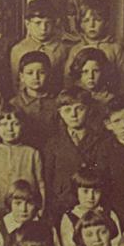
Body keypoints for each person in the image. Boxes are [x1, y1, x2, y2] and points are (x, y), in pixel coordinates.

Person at [43, 88, 98, 218]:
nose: (73, 115)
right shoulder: (53, 143)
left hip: (92, 202)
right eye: (67, 110)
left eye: (79, 109)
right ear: (60, 113)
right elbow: (47, 178)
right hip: (63, 202)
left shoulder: (100, 139)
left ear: (89, 110)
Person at [0, 105, 44, 221]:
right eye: (4, 124)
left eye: (15, 124)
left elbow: (41, 184)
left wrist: (41, 210)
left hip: (26, 210)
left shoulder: (32, 153)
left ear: (23, 125)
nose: (9, 129)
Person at [64, 0, 124, 96]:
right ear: (81, 24)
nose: (92, 25)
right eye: (86, 21)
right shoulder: (76, 49)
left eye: (97, 20)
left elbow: (123, 80)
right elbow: (68, 80)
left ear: (106, 22)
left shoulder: (115, 48)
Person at [59, 167, 122, 246]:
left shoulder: (109, 213)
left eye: (96, 192)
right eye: (85, 191)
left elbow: (116, 243)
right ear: (76, 191)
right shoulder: (69, 217)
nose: (91, 197)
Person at [10, 0, 68, 94]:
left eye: (48, 23)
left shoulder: (62, 49)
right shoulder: (18, 49)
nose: (43, 28)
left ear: (54, 23)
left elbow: (66, 80)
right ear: (27, 24)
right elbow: (16, 83)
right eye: (38, 23)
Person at [10, 51, 59, 149]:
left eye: (41, 72)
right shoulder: (14, 103)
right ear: (22, 77)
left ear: (49, 75)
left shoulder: (57, 101)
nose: (35, 77)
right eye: (30, 73)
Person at [64, 47, 116, 132]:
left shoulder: (110, 99)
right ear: (78, 72)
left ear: (103, 71)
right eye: (85, 72)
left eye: (96, 71)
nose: (91, 76)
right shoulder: (70, 96)